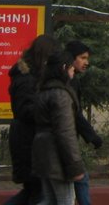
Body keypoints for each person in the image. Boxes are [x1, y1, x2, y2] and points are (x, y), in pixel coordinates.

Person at [5, 34, 61, 205]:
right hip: (28, 142)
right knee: (38, 193)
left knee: (32, 192)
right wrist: (48, 110)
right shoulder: (27, 79)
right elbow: (25, 110)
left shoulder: (30, 76)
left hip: (30, 141)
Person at [32, 51, 86, 205]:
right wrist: (75, 167)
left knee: (49, 200)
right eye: (71, 68)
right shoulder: (61, 95)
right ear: (64, 68)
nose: (73, 71)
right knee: (65, 201)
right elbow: (66, 132)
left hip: (43, 153)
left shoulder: (44, 90)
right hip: (58, 157)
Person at [65, 41, 102, 205]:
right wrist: (92, 136)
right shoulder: (68, 82)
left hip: (64, 140)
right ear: (72, 59)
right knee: (81, 179)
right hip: (64, 140)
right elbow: (75, 114)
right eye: (82, 58)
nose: (86, 62)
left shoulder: (71, 81)